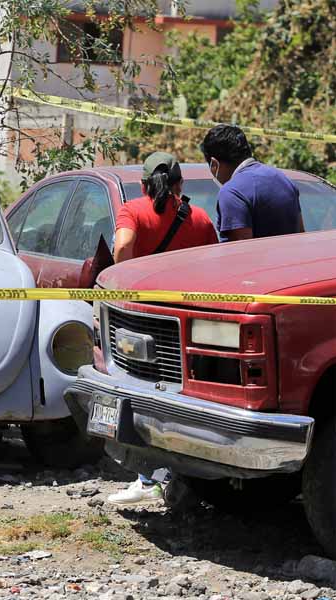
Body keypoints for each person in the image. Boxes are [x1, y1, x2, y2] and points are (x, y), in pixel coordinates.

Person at [107, 151, 218, 506]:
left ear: (141, 184)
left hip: (143, 319)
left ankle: (147, 478)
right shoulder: (199, 218)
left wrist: (123, 284)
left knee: (139, 392)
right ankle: (181, 477)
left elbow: (123, 245)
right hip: (186, 322)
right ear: (180, 184)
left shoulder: (133, 210)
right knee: (182, 396)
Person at [200, 123, 304, 242]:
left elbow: (241, 252)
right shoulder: (283, 179)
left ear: (214, 164)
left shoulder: (232, 193)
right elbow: (300, 233)